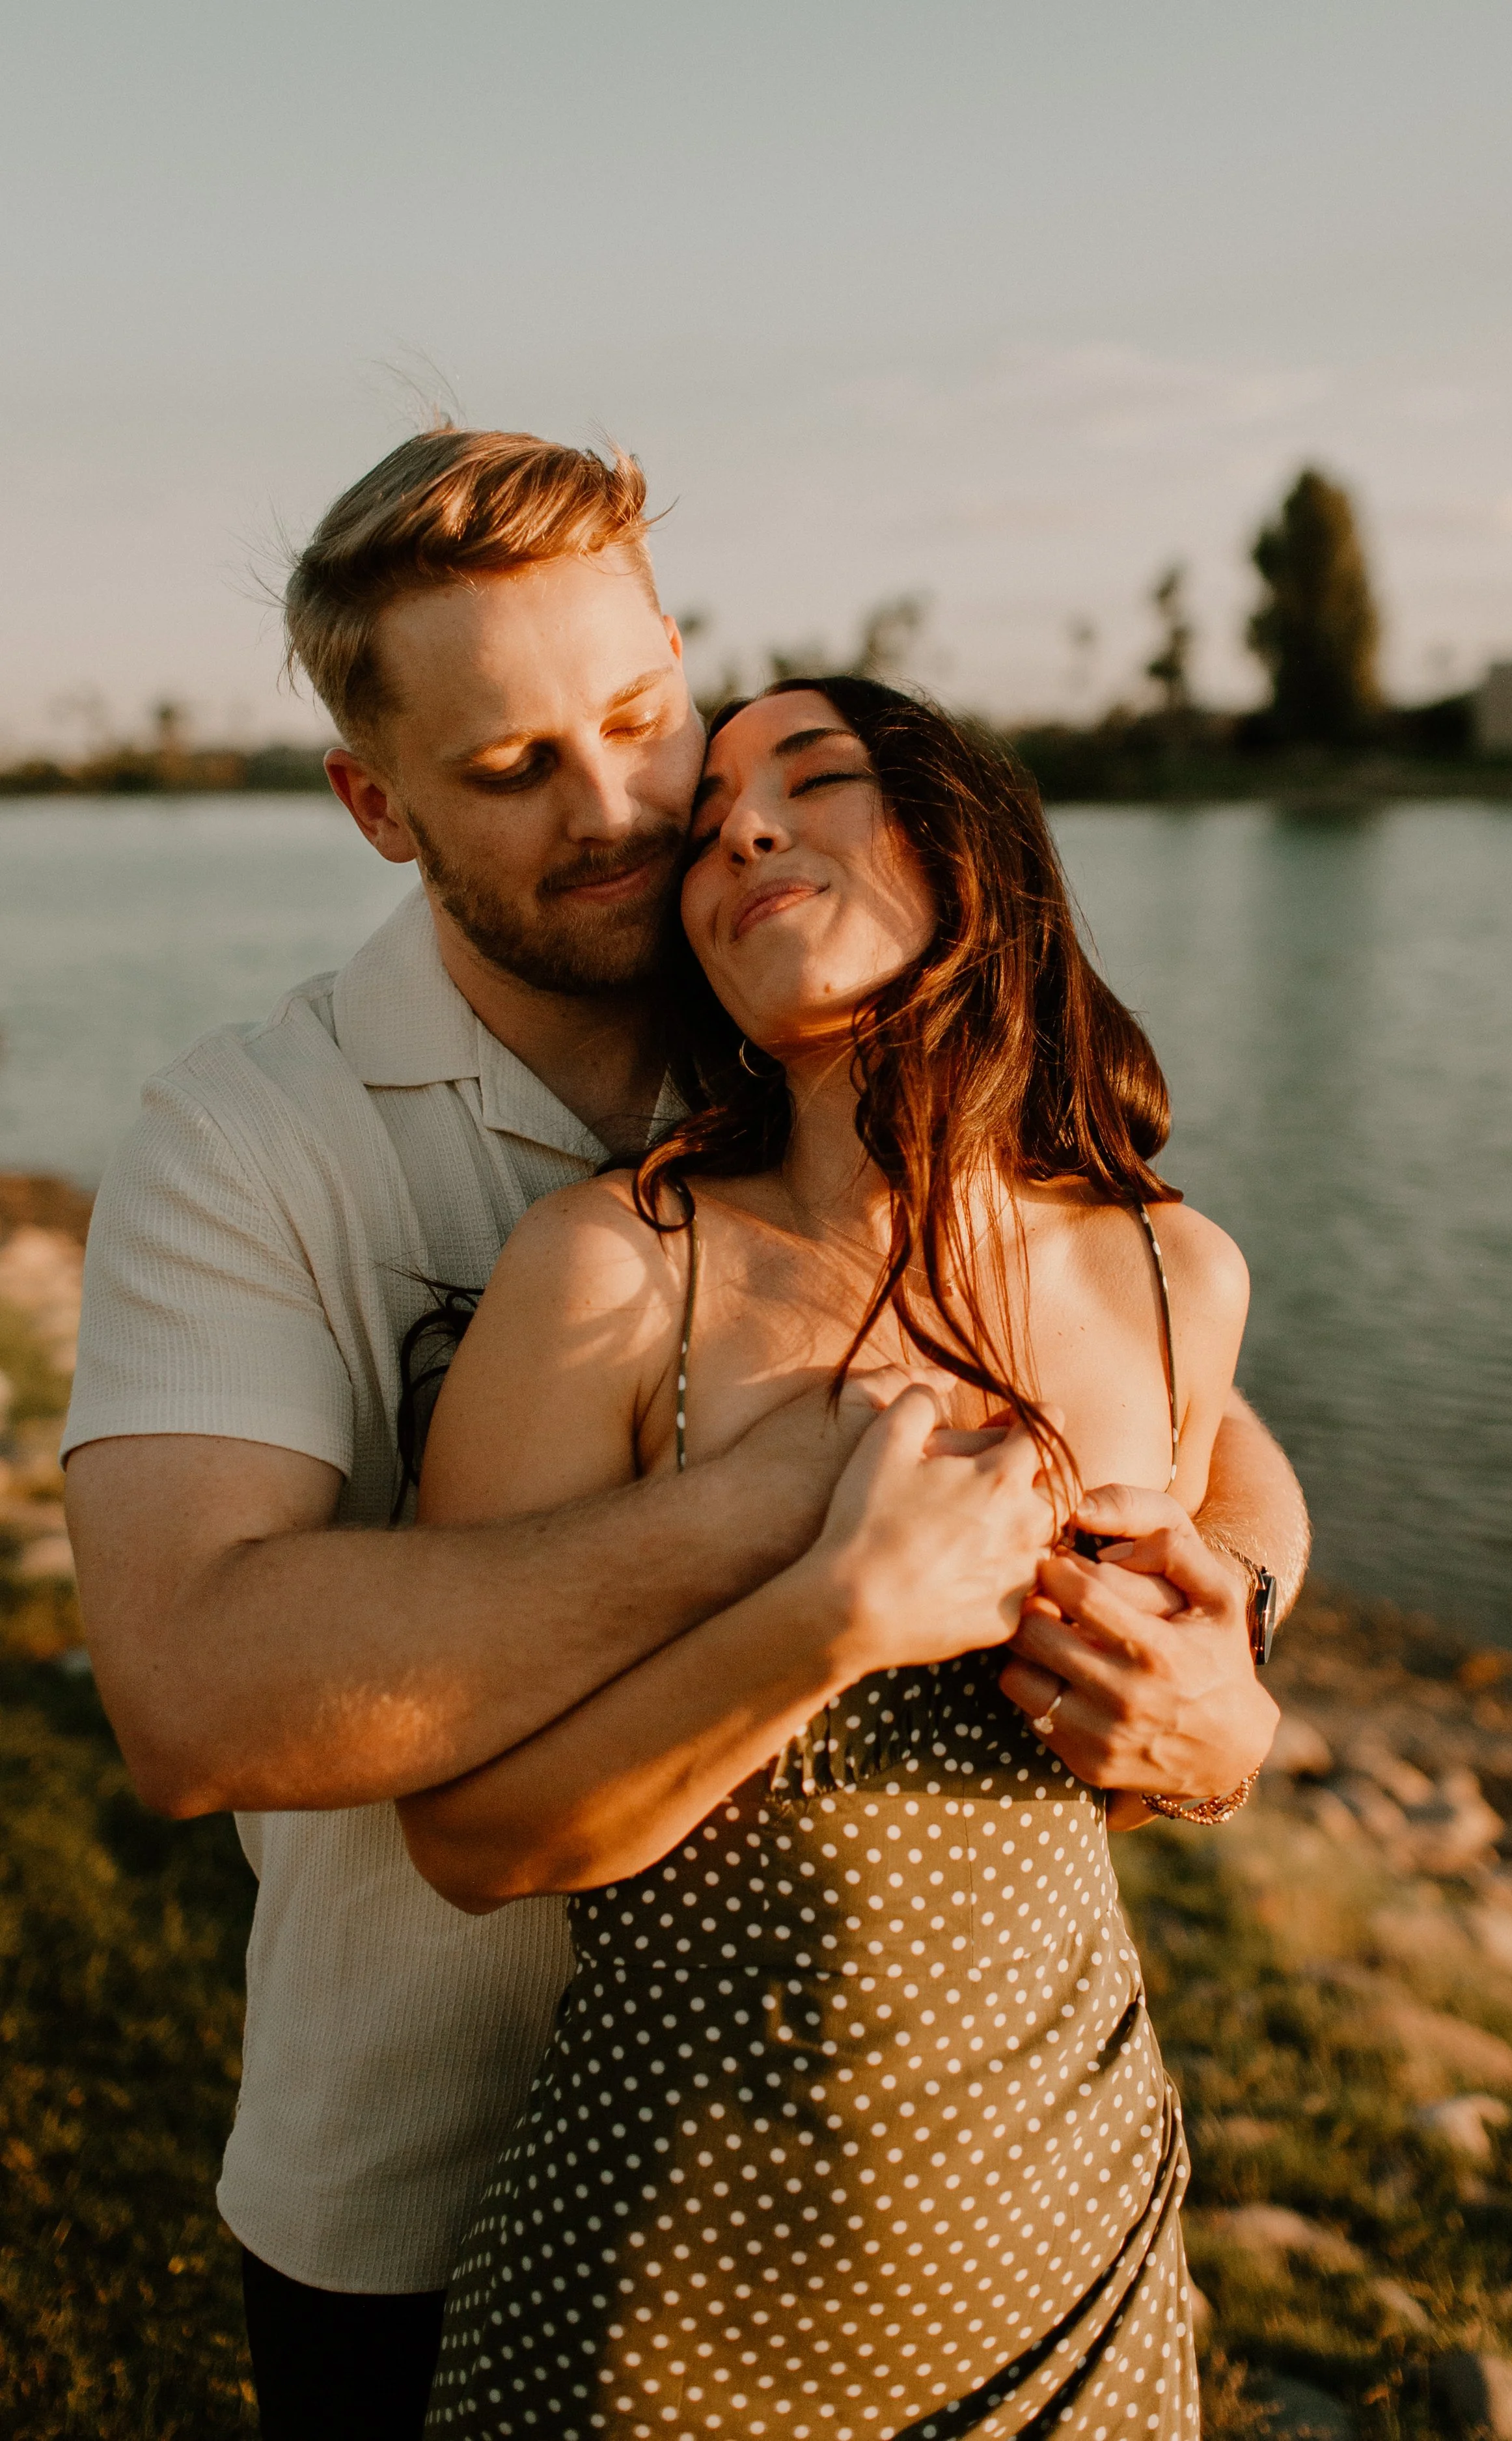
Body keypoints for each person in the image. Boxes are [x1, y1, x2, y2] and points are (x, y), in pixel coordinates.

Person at [61, 428, 1304, 2441]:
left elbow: (1183, 1399)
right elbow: (193, 1692)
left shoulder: (815, 1020)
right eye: (510, 768)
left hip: (942, 2180)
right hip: (425, 2172)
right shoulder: (253, 1135)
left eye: (648, 718)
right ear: (377, 806)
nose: (626, 807)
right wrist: (770, 1513)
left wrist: (1228, 1650)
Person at [402, 675, 1267, 2440]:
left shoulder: (1175, 1273)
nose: (744, 833)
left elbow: (1119, 1748)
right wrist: (822, 1621)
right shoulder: (616, 1271)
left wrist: (1218, 1743)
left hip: (1071, 2253)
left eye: (814, 781)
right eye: (709, 826)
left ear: (973, 846)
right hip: (672, 2297)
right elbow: (468, 1838)